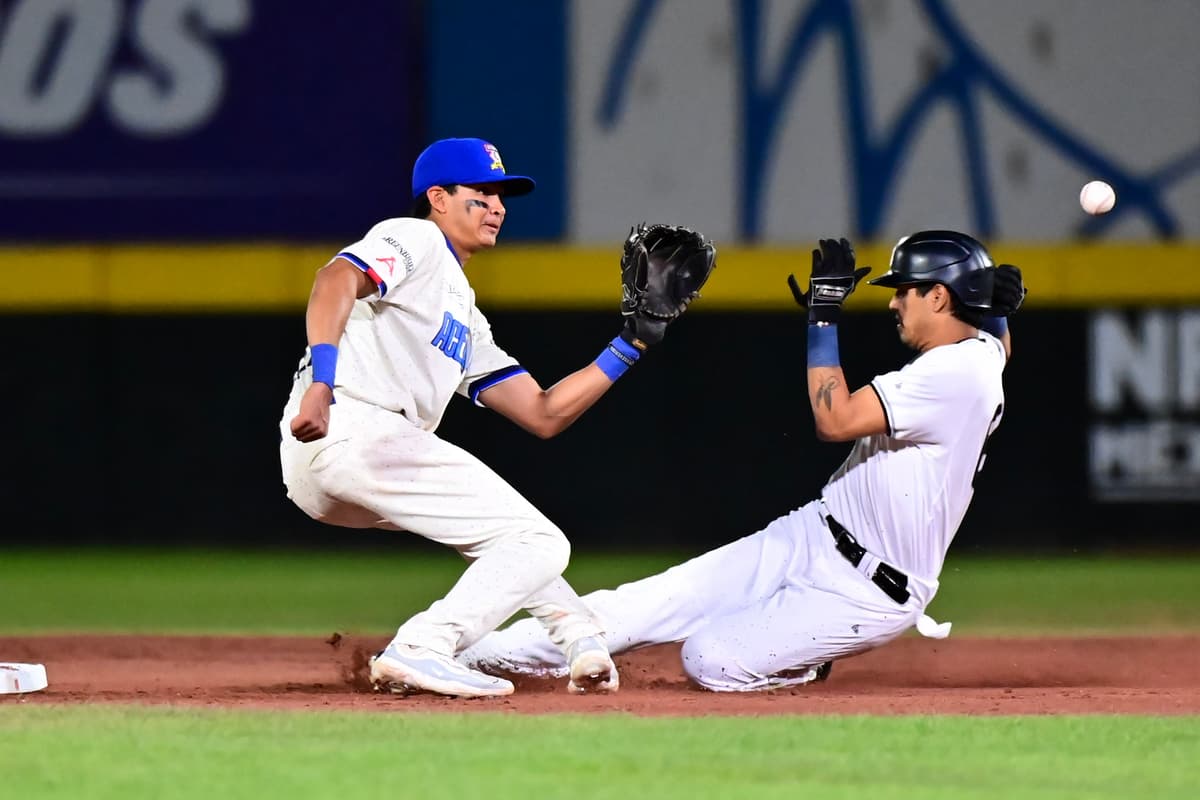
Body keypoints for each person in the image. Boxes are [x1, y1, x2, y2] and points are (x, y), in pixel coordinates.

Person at [458, 230, 1026, 691]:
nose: (893, 301)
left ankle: (798, 658)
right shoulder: (978, 354)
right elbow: (996, 349)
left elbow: (836, 421)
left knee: (711, 659)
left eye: (906, 290)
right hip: (815, 534)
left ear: (939, 297)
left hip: (871, 589)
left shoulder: (953, 371)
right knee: (650, 601)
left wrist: (823, 319)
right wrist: (996, 313)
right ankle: (470, 654)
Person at [278, 137, 694, 698]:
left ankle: (579, 637)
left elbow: (543, 412)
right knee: (539, 539)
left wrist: (633, 342)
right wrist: (322, 382)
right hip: (351, 423)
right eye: (481, 192)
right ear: (438, 198)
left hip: (337, 465)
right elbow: (335, 279)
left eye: (502, 195)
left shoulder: (465, 314)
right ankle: (423, 646)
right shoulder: (415, 237)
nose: (497, 205)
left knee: (502, 534)